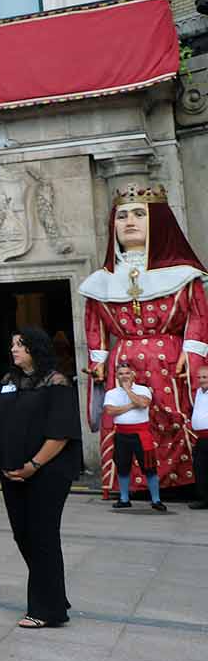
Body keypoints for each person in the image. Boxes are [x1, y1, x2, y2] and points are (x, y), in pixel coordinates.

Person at [81, 184, 207, 497]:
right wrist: (97, 364)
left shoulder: (183, 275)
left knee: (171, 416)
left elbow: (199, 316)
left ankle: (184, 481)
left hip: (170, 361)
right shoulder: (101, 282)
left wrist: (191, 351)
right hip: (124, 362)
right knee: (129, 418)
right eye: (121, 216)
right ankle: (133, 485)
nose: (129, 222)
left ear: (158, 222)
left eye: (139, 214)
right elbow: (95, 328)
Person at [0, 328, 81, 628]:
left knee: (42, 535)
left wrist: (34, 464)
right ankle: (53, 592)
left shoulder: (57, 382)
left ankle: (46, 610)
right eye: (12, 344)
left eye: (20, 345)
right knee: (22, 534)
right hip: (11, 472)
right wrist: (2, 462)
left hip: (47, 473)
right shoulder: (7, 381)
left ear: (35, 348)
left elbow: (61, 433)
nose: (14, 349)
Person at [103, 362, 164, 512]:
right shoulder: (111, 393)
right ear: (116, 376)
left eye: (127, 373)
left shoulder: (142, 389)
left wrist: (128, 390)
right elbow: (110, 411)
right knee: (122, 467)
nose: (124, 376)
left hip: (141, 434)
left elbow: (143, 403)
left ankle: (156, 500)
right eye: (121, 374)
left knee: (149, 467)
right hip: (122, 434)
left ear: (133, 375)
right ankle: (124, 499)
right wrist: (131, 405)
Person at [193, 366, 208, 511]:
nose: (202, 380)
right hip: (201, 437)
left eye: (205, 377)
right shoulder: (198, 392)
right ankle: (204, 499)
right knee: (200, 469)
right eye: (199, 377)